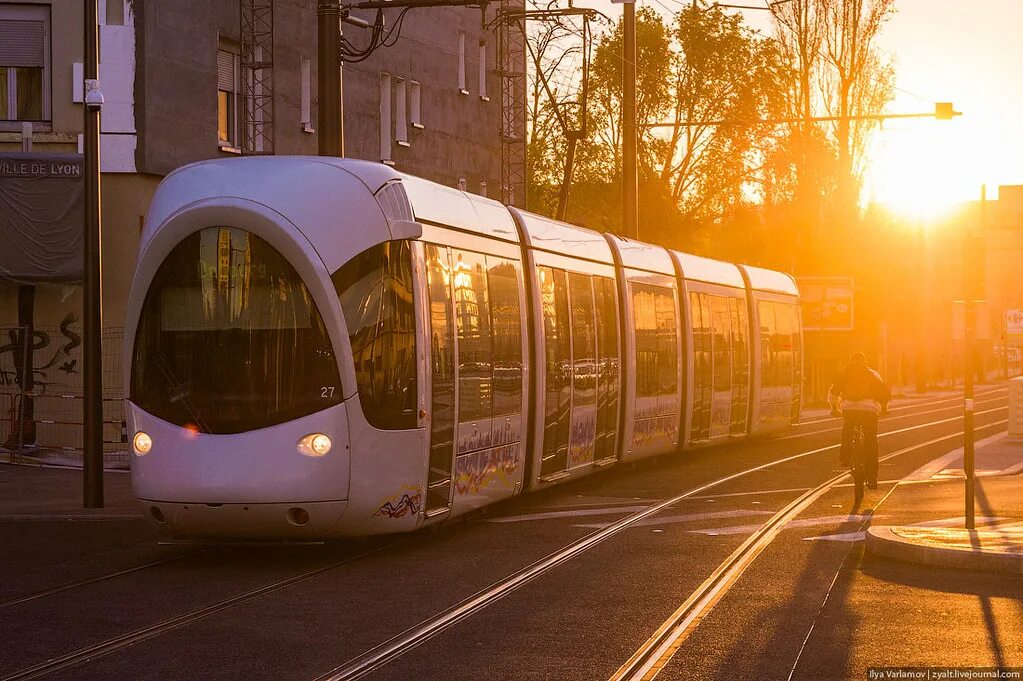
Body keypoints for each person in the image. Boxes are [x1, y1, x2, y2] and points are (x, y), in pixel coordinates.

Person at [828, 352, 891, 489]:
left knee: (848, 428)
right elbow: (884, 392)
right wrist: (884, 407)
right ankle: (873, 478)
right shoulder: (873, 374)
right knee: (871, 441)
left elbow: (833, 393)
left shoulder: (845, 373)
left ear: (850, 361)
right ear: (865, 362)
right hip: (870, 411)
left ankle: (845, 458)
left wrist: (834, 408)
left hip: (850, 410)